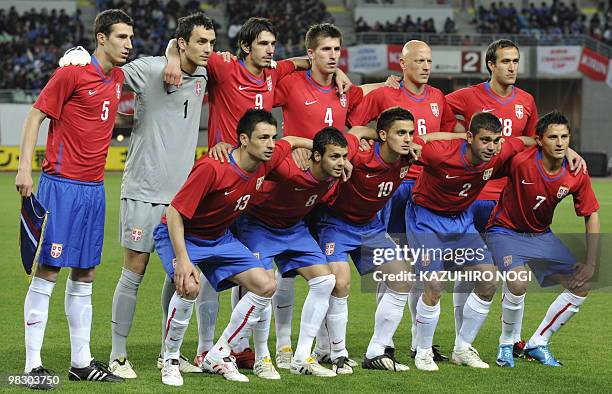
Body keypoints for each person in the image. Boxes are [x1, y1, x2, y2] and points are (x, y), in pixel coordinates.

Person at [163, 17, 352, 369]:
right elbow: (184, 44)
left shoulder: (273, 72)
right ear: (246, 46)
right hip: (222, 170)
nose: (270, 50)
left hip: (251, 182)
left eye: (273, 44)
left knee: (242, 268)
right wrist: (173, 57)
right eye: (264, 44)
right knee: (207, 269)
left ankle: (240, 347)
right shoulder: (223, 64)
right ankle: (205, 347)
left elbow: (296, 62)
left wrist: (335, 71)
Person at [57, 13, 217, 378]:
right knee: (135, 270)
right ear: (182, 43)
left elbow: (179, 52)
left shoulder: (203, 74)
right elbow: (103, 75)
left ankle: (167, 353)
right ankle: (117, 354)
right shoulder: (149, 69)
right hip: (144, 190)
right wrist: (78, 57)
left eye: (211, 42)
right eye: (201, 42)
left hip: (181, 197)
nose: (209, 49)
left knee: (177, 273)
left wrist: (178, 57)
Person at [14, 9, 134, 389]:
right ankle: (32, 366)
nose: (128, 45)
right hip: (60, 187)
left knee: (86, 273)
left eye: (131, 37)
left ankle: (80, 363)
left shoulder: (116, 78)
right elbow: (35, 116)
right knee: (48, 271)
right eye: (121, 37)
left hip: (94, 190)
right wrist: (23, 169)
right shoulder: (71, 72)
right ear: (101, 38)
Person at [152, 109, 312, 385]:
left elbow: (294, 140)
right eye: (263, 138)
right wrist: (183, 259)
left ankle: (220, 352)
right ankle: (170, 359)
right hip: (183, 234)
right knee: (190, 285)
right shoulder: (212, 168)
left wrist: (318, 148)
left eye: (273, 137)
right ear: (243, 139)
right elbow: (175, 212)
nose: (271, 144)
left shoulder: (266, 159)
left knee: (266, 284)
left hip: (220, 238)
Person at [270, 22, 388, 368]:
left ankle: (323, 347)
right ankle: (283, 345)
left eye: (337, 49)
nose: (333, 56)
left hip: (331, 192)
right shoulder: (291, 83)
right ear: (310, 53)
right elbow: (265, 83)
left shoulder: (345, 91)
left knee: (325, 276)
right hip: (292, 185)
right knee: (285, 271)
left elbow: (359, 121)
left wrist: (388, 82)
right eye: (325, 49)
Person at [314, 107, 462, 373]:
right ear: (383, 135)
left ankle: (376, 351)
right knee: (340, 283)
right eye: (400, 133)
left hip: (370, 228)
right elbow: (354, 131)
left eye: (411, 133)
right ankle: (335, 353)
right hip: (335, 224)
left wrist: (446, 138)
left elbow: (442, 141)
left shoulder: (409, 157)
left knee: (402, 278)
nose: (408, 139)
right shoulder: (359, 154)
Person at [348, 40, 460, 362]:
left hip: (426, 191)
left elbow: (445, 137)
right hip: (393, 189)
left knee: (422, 267)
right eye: (419, 60)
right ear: (403, 63)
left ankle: (417, 343)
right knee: (393, 267)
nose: (426, 66)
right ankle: (384, 343)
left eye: (429, 60)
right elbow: (356, 128)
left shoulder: (438, 98)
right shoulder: (385, 95)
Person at [234, 127, 376, 378]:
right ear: (317, 156)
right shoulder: (289, 169)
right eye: (334, 157)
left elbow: (360, 131)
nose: (341, 162)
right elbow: (282, 144)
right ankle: (262, 358)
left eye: (344, 157)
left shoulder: (339, 161)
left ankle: (302, 357)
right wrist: (308, 143)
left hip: (294, 230)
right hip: (260, 226)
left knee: (325, 280)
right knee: (263, 287)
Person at [406, 112, 535, 372]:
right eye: (485, 140)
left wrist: (569, 154)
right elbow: (411, 141)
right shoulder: (439, 153)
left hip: (461, 222)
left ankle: (462, 348)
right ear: (469, 137)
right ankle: (422, 351)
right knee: (434, 284)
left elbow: (529, 140)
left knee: (489, 280)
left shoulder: (499, 151)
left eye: (496, 140)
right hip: (426, 219)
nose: (491, 147)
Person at [485, 111, 599, 368]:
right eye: (553, 137)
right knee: (518, 281)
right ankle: (506, 345)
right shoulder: (520, 162)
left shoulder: (576, 172)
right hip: (504, 230)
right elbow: (491, 155)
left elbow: (591, 214)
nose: (560, 143)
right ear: (539, 140)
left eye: (564, 137)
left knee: (581, 285)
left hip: (540, 235)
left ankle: (538, 342)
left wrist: (591, 262)